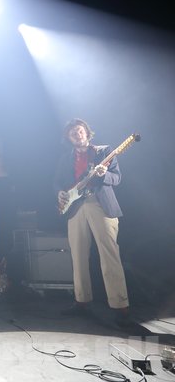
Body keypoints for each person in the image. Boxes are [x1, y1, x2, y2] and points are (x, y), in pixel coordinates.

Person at [53, 118, 133, 328]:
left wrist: (105, 174)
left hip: (100, 205)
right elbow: (57, 182)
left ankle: (120, 306)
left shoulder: (104, 152)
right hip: (75, 208)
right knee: (78, 257)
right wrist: (60, 192)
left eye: (79, 131)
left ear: (87, 133)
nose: (77, 135)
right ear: (69, 139)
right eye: (72, 133)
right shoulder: (65, 158)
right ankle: (81, 301)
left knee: (109, 255)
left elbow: (117, 178)